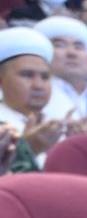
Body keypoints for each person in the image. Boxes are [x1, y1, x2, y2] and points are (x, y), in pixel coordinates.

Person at [0, 26, 77, 169]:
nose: (39, 85)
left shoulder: (57, 123)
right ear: (1, 81)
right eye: (27, 75)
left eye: (45, 77)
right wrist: (28, 149)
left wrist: (80, 145)